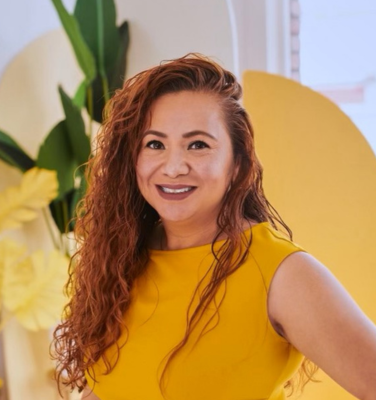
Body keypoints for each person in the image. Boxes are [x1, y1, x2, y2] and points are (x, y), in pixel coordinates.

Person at [52, 53, 376, 400]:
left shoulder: (281, 274)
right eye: (155, 144)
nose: (174, 166)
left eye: (198, 145)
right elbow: (108, 388)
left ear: (237, 164)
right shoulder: (119, 258)